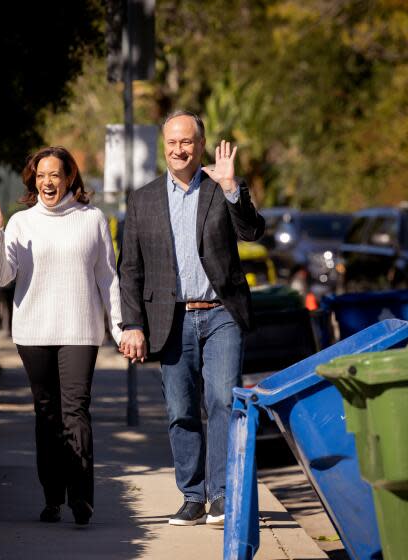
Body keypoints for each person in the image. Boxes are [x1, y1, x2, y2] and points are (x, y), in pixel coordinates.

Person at [118, 110, 265, 526]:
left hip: (221, 314)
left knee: (221, 401)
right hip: (171, 318)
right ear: (162, 146)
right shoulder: (142, 199)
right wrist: (132, 323)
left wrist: (232, 187)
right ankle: (192, 495)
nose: (179, 149)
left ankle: (220, 495)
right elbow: (129, 268)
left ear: (200, 145)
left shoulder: (221, 188)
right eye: (172, 142)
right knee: (180, 409)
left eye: (187, 142)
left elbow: (253, 232)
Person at [0, 146, 122, 525]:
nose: (47, 182)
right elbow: (3, 277)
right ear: (33, 180)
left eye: (54, 174)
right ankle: (52, 496)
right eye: (40, 176)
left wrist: (120, 328)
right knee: (47, 414)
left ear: (70, 178)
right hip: (33, 330)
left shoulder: (92, 219)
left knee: (75, 411)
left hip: (80, 330)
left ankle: (81, 498)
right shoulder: (21, 222)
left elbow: (108, 278)